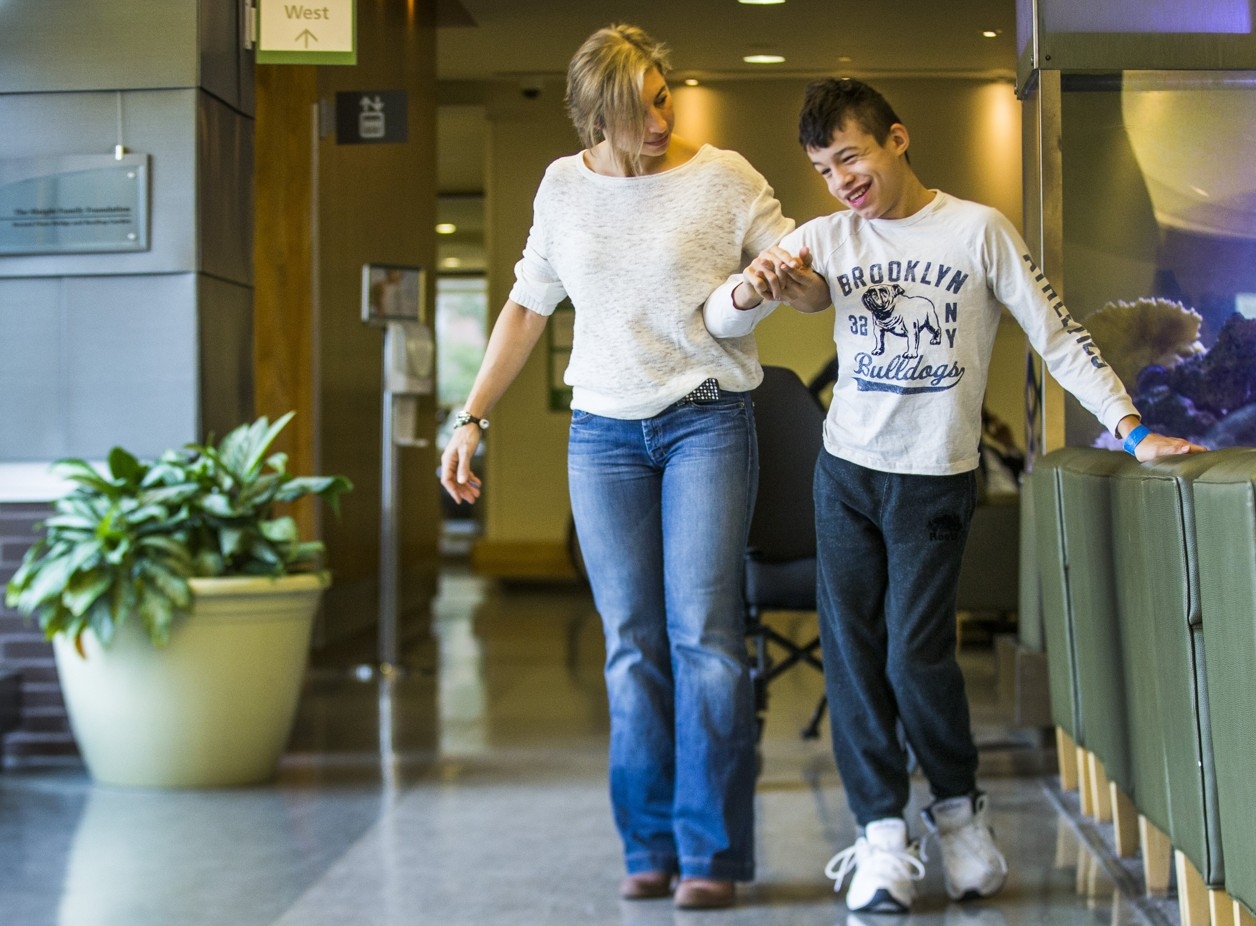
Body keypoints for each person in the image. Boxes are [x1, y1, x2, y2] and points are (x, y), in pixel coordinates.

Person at [703, 77, 1206, 914]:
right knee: (854, 657)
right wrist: (758, 287)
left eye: (851, 158)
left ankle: (959, 813)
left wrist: (1130, 427)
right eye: (824, 169)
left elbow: (1060, 337)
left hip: (936, 475)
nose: (841, 181)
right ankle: (881, 837)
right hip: (846, 473)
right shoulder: (827, 239)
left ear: (897, 139)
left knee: (913, 653)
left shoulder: (978, 231)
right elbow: (723, 320)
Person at [438, 23, 793, 911]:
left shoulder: (724, 177)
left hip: (707, 421)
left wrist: (789, 276)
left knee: (705, 638)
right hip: (601, 433)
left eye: (662, 98)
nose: (657, 120)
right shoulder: (563, 187)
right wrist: (470, 417)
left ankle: (711, 852)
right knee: (632, 645)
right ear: (596, 117)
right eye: (635, 111)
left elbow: (796, 263)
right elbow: (526, 308)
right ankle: (649, 844)